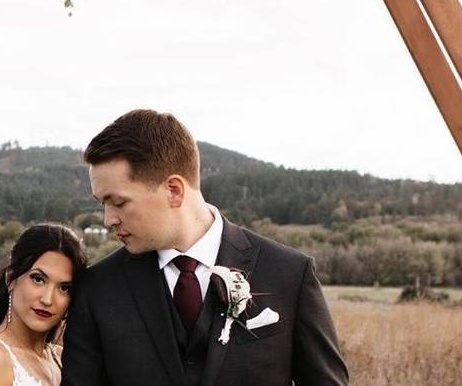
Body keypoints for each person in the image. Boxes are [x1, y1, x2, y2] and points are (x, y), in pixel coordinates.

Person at [62, 109, 349, 386]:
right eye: (103, 204)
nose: (108, 219)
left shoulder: (290, 275)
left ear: (174, 190)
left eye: (118, 202)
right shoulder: (97, 290)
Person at [0, 224, 87, 386]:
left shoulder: (60, 359)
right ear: (10, 278)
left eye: (64, 288)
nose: (47, 299)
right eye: (38, 279)